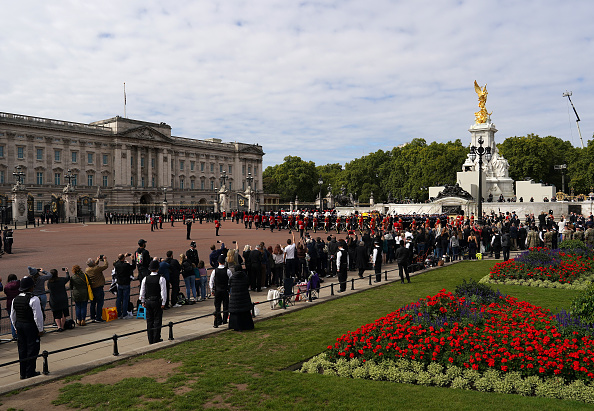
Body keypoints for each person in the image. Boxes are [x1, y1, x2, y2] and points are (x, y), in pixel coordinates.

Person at [10, 276, 44, 379]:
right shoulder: (34, 299)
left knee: (22, 349)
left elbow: (12, 315)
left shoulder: (15, 299)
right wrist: (40, 329)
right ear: (31, 288)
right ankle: (30, 372)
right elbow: (38, 316)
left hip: (19, 325)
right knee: (32, 349)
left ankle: (22, 373)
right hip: (30, 326)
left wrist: (15, 326)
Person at [139, 259, 167, 344]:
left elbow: (142, 291)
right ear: (157, 268)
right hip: (157, 301)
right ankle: (156, 338)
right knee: (157, 320)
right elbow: (163, 292)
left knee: (149, 321)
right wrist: (163, 303)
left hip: (148, 301)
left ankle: (150, 339)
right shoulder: (161, 278)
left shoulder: (145, 279)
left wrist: (142, 301)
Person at [228, 264, 254, 332]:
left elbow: (230, 285)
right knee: (245, 312)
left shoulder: (232, 277)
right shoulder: (245, 276)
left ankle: (236, 326)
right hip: (244, 296)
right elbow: (248, 284)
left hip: (235, 297)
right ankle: (246, 326)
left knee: (236, 313)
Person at [210, 254, 232, 328]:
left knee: (217, 306)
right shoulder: (227, 271)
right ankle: (225, 319)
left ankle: (218, 320)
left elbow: (211, 281)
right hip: (225, 290)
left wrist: (212, 289)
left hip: (217, 290)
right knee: (226, 305)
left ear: (218, 261)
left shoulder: (214, 271)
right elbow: (231, 280)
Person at [85, 255, 109, 323]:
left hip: (92, 288)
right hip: (98, 288)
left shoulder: (87, 269)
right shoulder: (96, 268)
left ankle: (92, 317)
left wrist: (97, 260)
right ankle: (98, 317)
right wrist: (105, 259)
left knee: (92, 303)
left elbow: (93, 265)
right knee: (99, 303)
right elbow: (105, 266)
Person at [113, 253, 136, 319]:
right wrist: (132, 259)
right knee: (125, 299)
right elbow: (133, 267)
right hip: (126, 283)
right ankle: (125, 314)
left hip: (119, 283)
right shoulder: (126, 265)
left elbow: (117, 262)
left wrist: (123, 257)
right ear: (123, 258)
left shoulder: (116, 265)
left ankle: (119, 314)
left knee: (118, 299)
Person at [4, 274, 20, 340]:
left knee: (12, 320)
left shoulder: (6, 286)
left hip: (10, 304)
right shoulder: (19, 284)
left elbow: (6, 293)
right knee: (20, 319)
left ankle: (14, 335)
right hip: (19, 303)